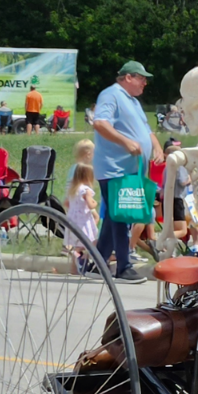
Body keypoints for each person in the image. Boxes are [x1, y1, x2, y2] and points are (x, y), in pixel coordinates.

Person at [91, 60, 156, 281]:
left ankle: (97, 263)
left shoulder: (134, 102)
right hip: (113, 168)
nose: (145, 83)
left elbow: (147, 130)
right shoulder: (111, 95)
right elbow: (100, 123)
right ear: (128, 77)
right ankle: (123, 266)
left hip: (130, 169)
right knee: (121, 215)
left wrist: (155, 146)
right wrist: (125, 142)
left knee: (114, 215)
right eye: (142, 78)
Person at [63, 161, 101, 272]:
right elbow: (90, 205)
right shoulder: (86, 190)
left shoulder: (72, 189)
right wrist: (95, 203)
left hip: (72, 220)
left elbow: (66, 203)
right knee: (91, 242)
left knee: (78, 243)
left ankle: (75, 267)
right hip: (83, 220)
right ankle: (83, 257)